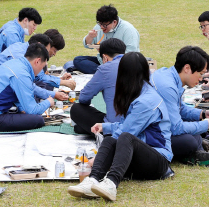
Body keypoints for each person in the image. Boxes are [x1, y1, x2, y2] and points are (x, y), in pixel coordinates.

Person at [67, 52, 173, 202]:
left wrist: (96, 159)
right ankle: (93, 180)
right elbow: (126, 125)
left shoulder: (146, 100)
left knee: (122, 138)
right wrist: (106, 127)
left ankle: (111, 183)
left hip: (158, 161)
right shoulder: (135, 92)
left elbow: (126, 132)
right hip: (138, 154)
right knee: (111, 140)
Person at [151, 46, 209, 166]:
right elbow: (176, 128)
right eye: (200, 74)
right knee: (189, 141)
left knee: (193, 132)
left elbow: (180, 109)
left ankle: (196, 150)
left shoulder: (169, 75)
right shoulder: (167, 86)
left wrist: (203, 114)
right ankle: (192, 153)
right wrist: (208, 124)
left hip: (160, 127)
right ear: (187, 68)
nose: (201, 79)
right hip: (150, 134)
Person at [0, 43, 54, 132]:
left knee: (27, 113)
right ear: (37, 61)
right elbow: (33, 110)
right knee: (37, 120)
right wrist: (48, 102)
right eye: (42, 67)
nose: (40, 71)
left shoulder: (15, 63)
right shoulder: (22, 74)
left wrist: (22, 109)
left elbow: (19, 92)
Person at [0, 32, 74, 95]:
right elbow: (29, 84)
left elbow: (38, 77)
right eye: (53, 50)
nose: (53, 54)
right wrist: (55, 92)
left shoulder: (25, 49)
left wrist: (60, 80)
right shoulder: (22, 56)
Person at [71, 39, 126, 135]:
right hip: (138, 123)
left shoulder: (106, 68)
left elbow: (84, 98)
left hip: (113, 127)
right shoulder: (140, 67)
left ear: (104, 57)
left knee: (76, 108)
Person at [72, 5, 140, 74]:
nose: (102, 27)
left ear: (114, 22)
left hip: (121, 63)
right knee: (78, 60)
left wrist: (110, 56)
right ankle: (105, 72)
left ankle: (104, 72)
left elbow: (131, 54)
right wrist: (90, 37)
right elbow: (87, 45)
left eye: (104, 25)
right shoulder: (99, 27)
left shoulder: (129, 30)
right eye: (100, 24)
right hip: (103, 61)